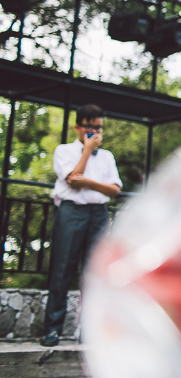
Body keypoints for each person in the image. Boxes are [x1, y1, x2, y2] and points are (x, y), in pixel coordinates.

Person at [40, 104, 121, 347]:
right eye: (90, 128)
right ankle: (52, 329)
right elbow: (72, 182)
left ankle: (90, 332)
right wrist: (86, 152)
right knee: (62, 269)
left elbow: (115, 190)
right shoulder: (63, 151)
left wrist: (87, 181)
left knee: (92, 274)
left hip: (98, 214)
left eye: (99, 128)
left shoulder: (107, 157)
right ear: (78, 127)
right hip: (71, 212)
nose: (95, 132)